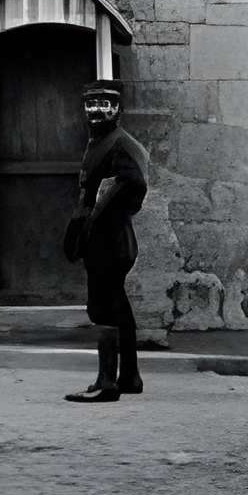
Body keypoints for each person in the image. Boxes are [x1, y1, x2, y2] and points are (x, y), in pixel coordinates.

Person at [62, 77, 149, 403]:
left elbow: (132, 184)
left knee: (101, 308)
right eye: (90, 103)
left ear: (117, 108)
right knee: (117, 305)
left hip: (110, 239)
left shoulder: (118, 143)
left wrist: (95, 219)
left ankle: (106, 382)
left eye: (104, 103)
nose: (96, 110)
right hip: (107, 238)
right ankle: (129, 376)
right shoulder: (100, 141)